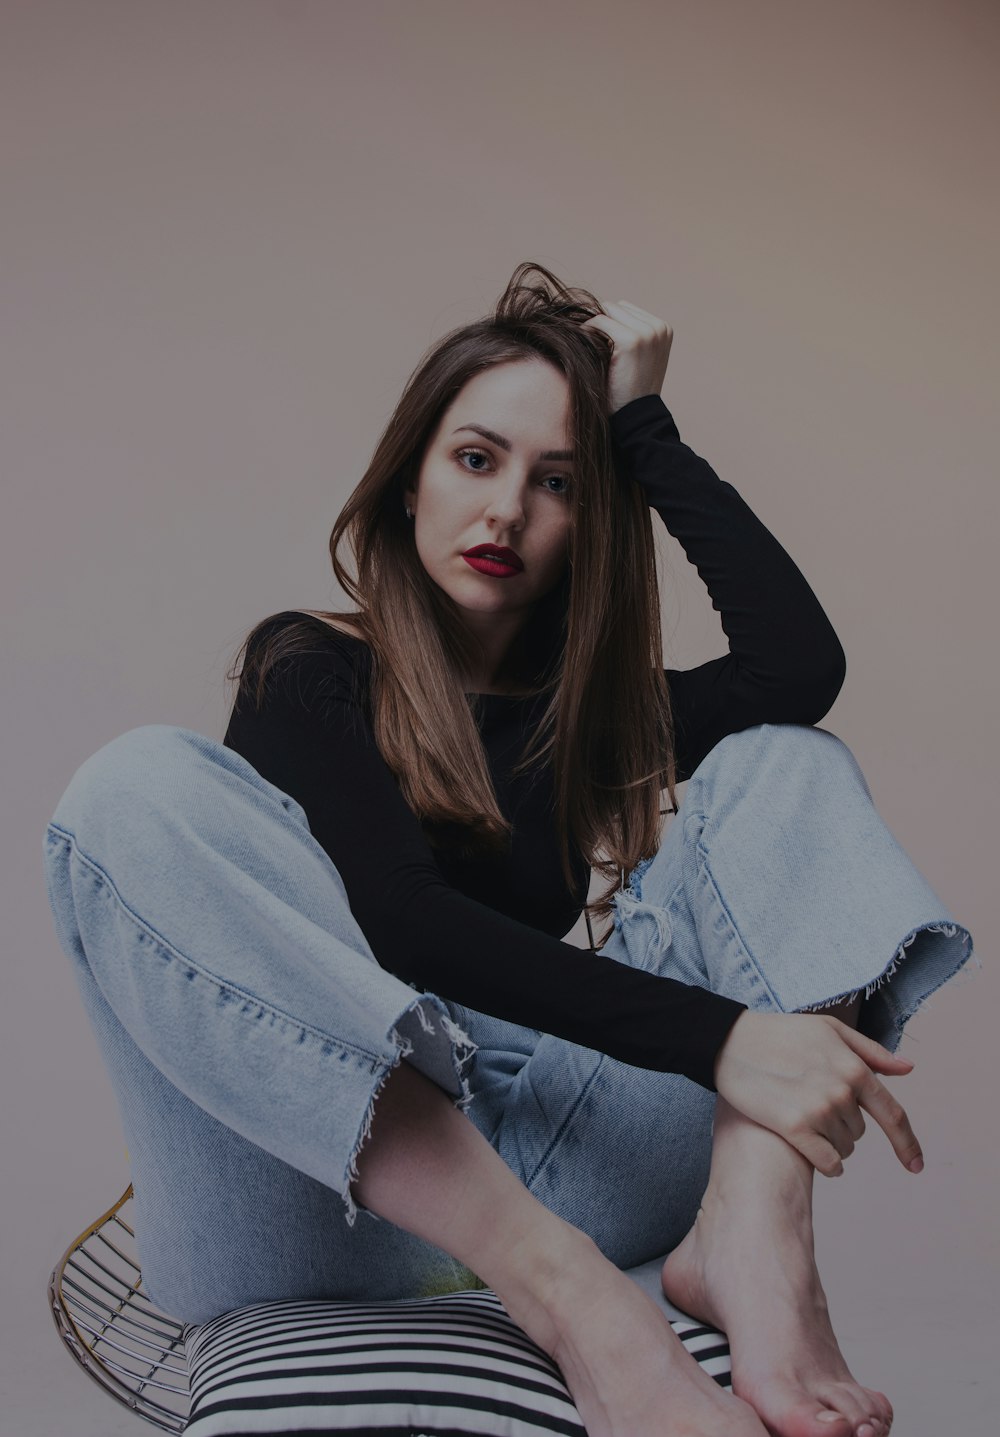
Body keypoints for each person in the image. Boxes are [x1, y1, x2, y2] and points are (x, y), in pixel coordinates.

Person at [43, 262, 972, 1437]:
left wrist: (647, 432)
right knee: (135, 780)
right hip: (317, 1200)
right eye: (475, 460)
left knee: (787, 755)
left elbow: (798, 668)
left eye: (559, 484)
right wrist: (724, 1038)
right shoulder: (309, 668)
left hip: (569, 1160)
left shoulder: (588, 719)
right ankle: (571, 1300)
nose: (504, 515)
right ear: (407, 478)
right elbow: (399, 912)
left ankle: (757, 1225)